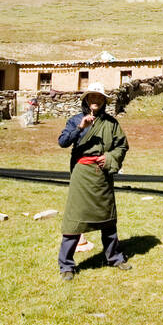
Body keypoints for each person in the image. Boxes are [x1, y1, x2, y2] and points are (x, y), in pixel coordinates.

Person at [56, 81, 131, 280]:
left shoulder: (112, 124)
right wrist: (81, 127)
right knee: (74, 220)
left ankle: (114, 257)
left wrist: (110, 158)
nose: (95, 100)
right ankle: (66, 266)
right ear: (87, 100)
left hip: (102, 173)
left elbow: (122, 146)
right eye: (92, 97)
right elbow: (63, 142)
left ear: (104, 101)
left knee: (108, 219)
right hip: (82, 175)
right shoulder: (75, 120)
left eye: (99, 97)